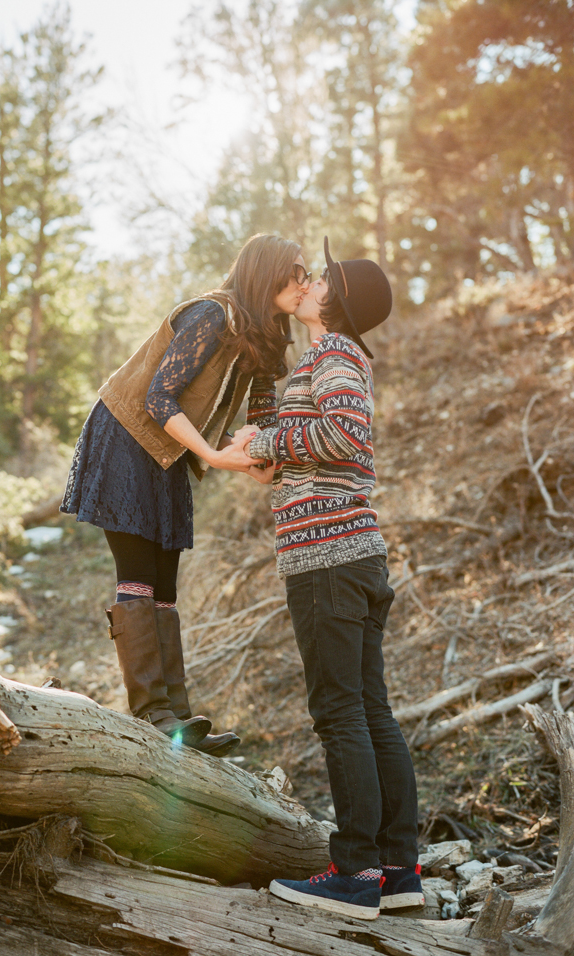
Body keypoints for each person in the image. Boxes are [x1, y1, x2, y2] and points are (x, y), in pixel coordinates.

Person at [61, 234, 308, 757]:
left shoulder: (264, 334)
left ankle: (178, 717)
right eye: (296, 271)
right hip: (127, 436)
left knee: (166, 584)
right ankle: (151, 712)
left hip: (168, 448)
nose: (304, 281)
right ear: (267, 274)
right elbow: (157, 396)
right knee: (139, 577)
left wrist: (260, 459)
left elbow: (260, 412)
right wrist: (216, 457)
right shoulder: (212, 316)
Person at [241, 237, 423, 918]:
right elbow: (305, 441)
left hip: (328, 562)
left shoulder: (334, 356)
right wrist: (268, 424)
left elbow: (342, 433)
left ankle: (353, 873)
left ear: (332, 302)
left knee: (340, 711)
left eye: (319, 279)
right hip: (356, 556)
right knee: (371, 709)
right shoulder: (328, 359)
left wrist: (262, 444)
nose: (309, 281)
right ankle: (398, 871)